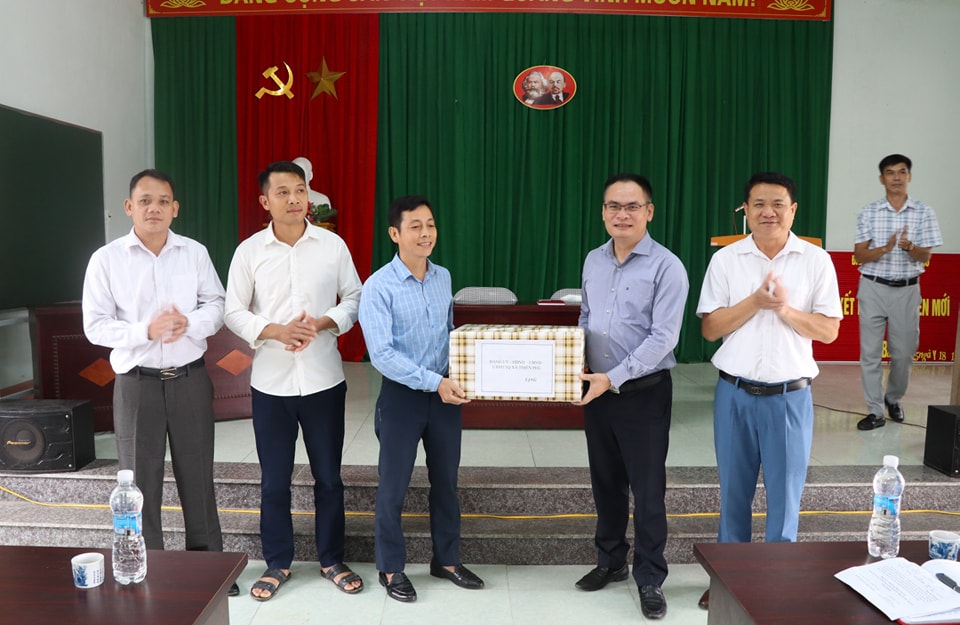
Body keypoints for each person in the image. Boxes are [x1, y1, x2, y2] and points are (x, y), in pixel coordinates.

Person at [82, 169, 238, 596]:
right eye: (145, 201)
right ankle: (147, 568)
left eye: (163, 201)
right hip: (137, 385)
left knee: (198, 475)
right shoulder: (106, 259)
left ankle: (208, 568)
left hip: (189, 379)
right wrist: (144, 331)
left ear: (175, 208)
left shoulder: (194, 253)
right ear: (129, 207)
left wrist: (190, 323)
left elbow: (217, 304)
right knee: (138, 482)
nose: (155, 208)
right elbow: (95, 325)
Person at [695, 172, 842, 609]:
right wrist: (755, 302)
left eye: (778, 204)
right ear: (746, 210)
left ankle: (777, 583)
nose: (768, 212)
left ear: (793, 210)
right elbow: (710, 328)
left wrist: (785, 310)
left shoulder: (816, 261)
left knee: (784, 498)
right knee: (733, 494)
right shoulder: (727, 260)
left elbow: (829, 331)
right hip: (734, 394)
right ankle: (728, 580)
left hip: (789, 397)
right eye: (758, 204)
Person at [224, 161, 363, 601]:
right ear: (265, 201)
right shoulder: (249, 251)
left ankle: (331, 559)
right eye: (282, 192)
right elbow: (233, 310)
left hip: (324, 380)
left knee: (329, 478)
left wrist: (320, 323)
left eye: (299, 190)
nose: (293, 199)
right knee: (274, 481)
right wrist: (275, 331)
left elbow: (355, 297)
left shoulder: (332, 245)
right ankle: (277, 563)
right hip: (271, 384)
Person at [573, 173, 688, 621]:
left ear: (649, 212)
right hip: (598, 391)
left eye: (632, 206)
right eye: (614, 206)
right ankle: (610, 560)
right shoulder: (593, 259)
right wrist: (572, 367)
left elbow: (663, 338)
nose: (622, 215)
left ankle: (650, 576)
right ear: (603, 212)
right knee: (605, 483)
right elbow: (585, 317)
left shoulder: (667, 267)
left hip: (643, 393)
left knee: (648, 490)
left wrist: (613, 377)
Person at [358, 195, 484, 603]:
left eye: (430, 224)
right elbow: (381, 355)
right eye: (415, 226)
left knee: (446, 482)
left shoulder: (443, 276)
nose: (426, 233)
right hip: (402, 398)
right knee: (393, 486)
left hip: (444, 396)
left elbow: (448, 333)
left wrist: (465, 370)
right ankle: (390, 568)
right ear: (395, 234)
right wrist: (434, 382)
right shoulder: (378, 286)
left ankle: (446, 560)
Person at [853, 154, 943, 431]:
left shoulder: (924, 212)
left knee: (903, 353)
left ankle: (893, 398)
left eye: (901, 172)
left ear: (909, 177)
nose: (896, 177)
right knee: (870, 354)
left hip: (906, 289)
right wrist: (885, 248)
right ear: (882, 179)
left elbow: (925, 255)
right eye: (890, 172)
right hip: (873, 286)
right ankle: (874, 411)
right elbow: (860, 255)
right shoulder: (869, 212)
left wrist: (909, 247)